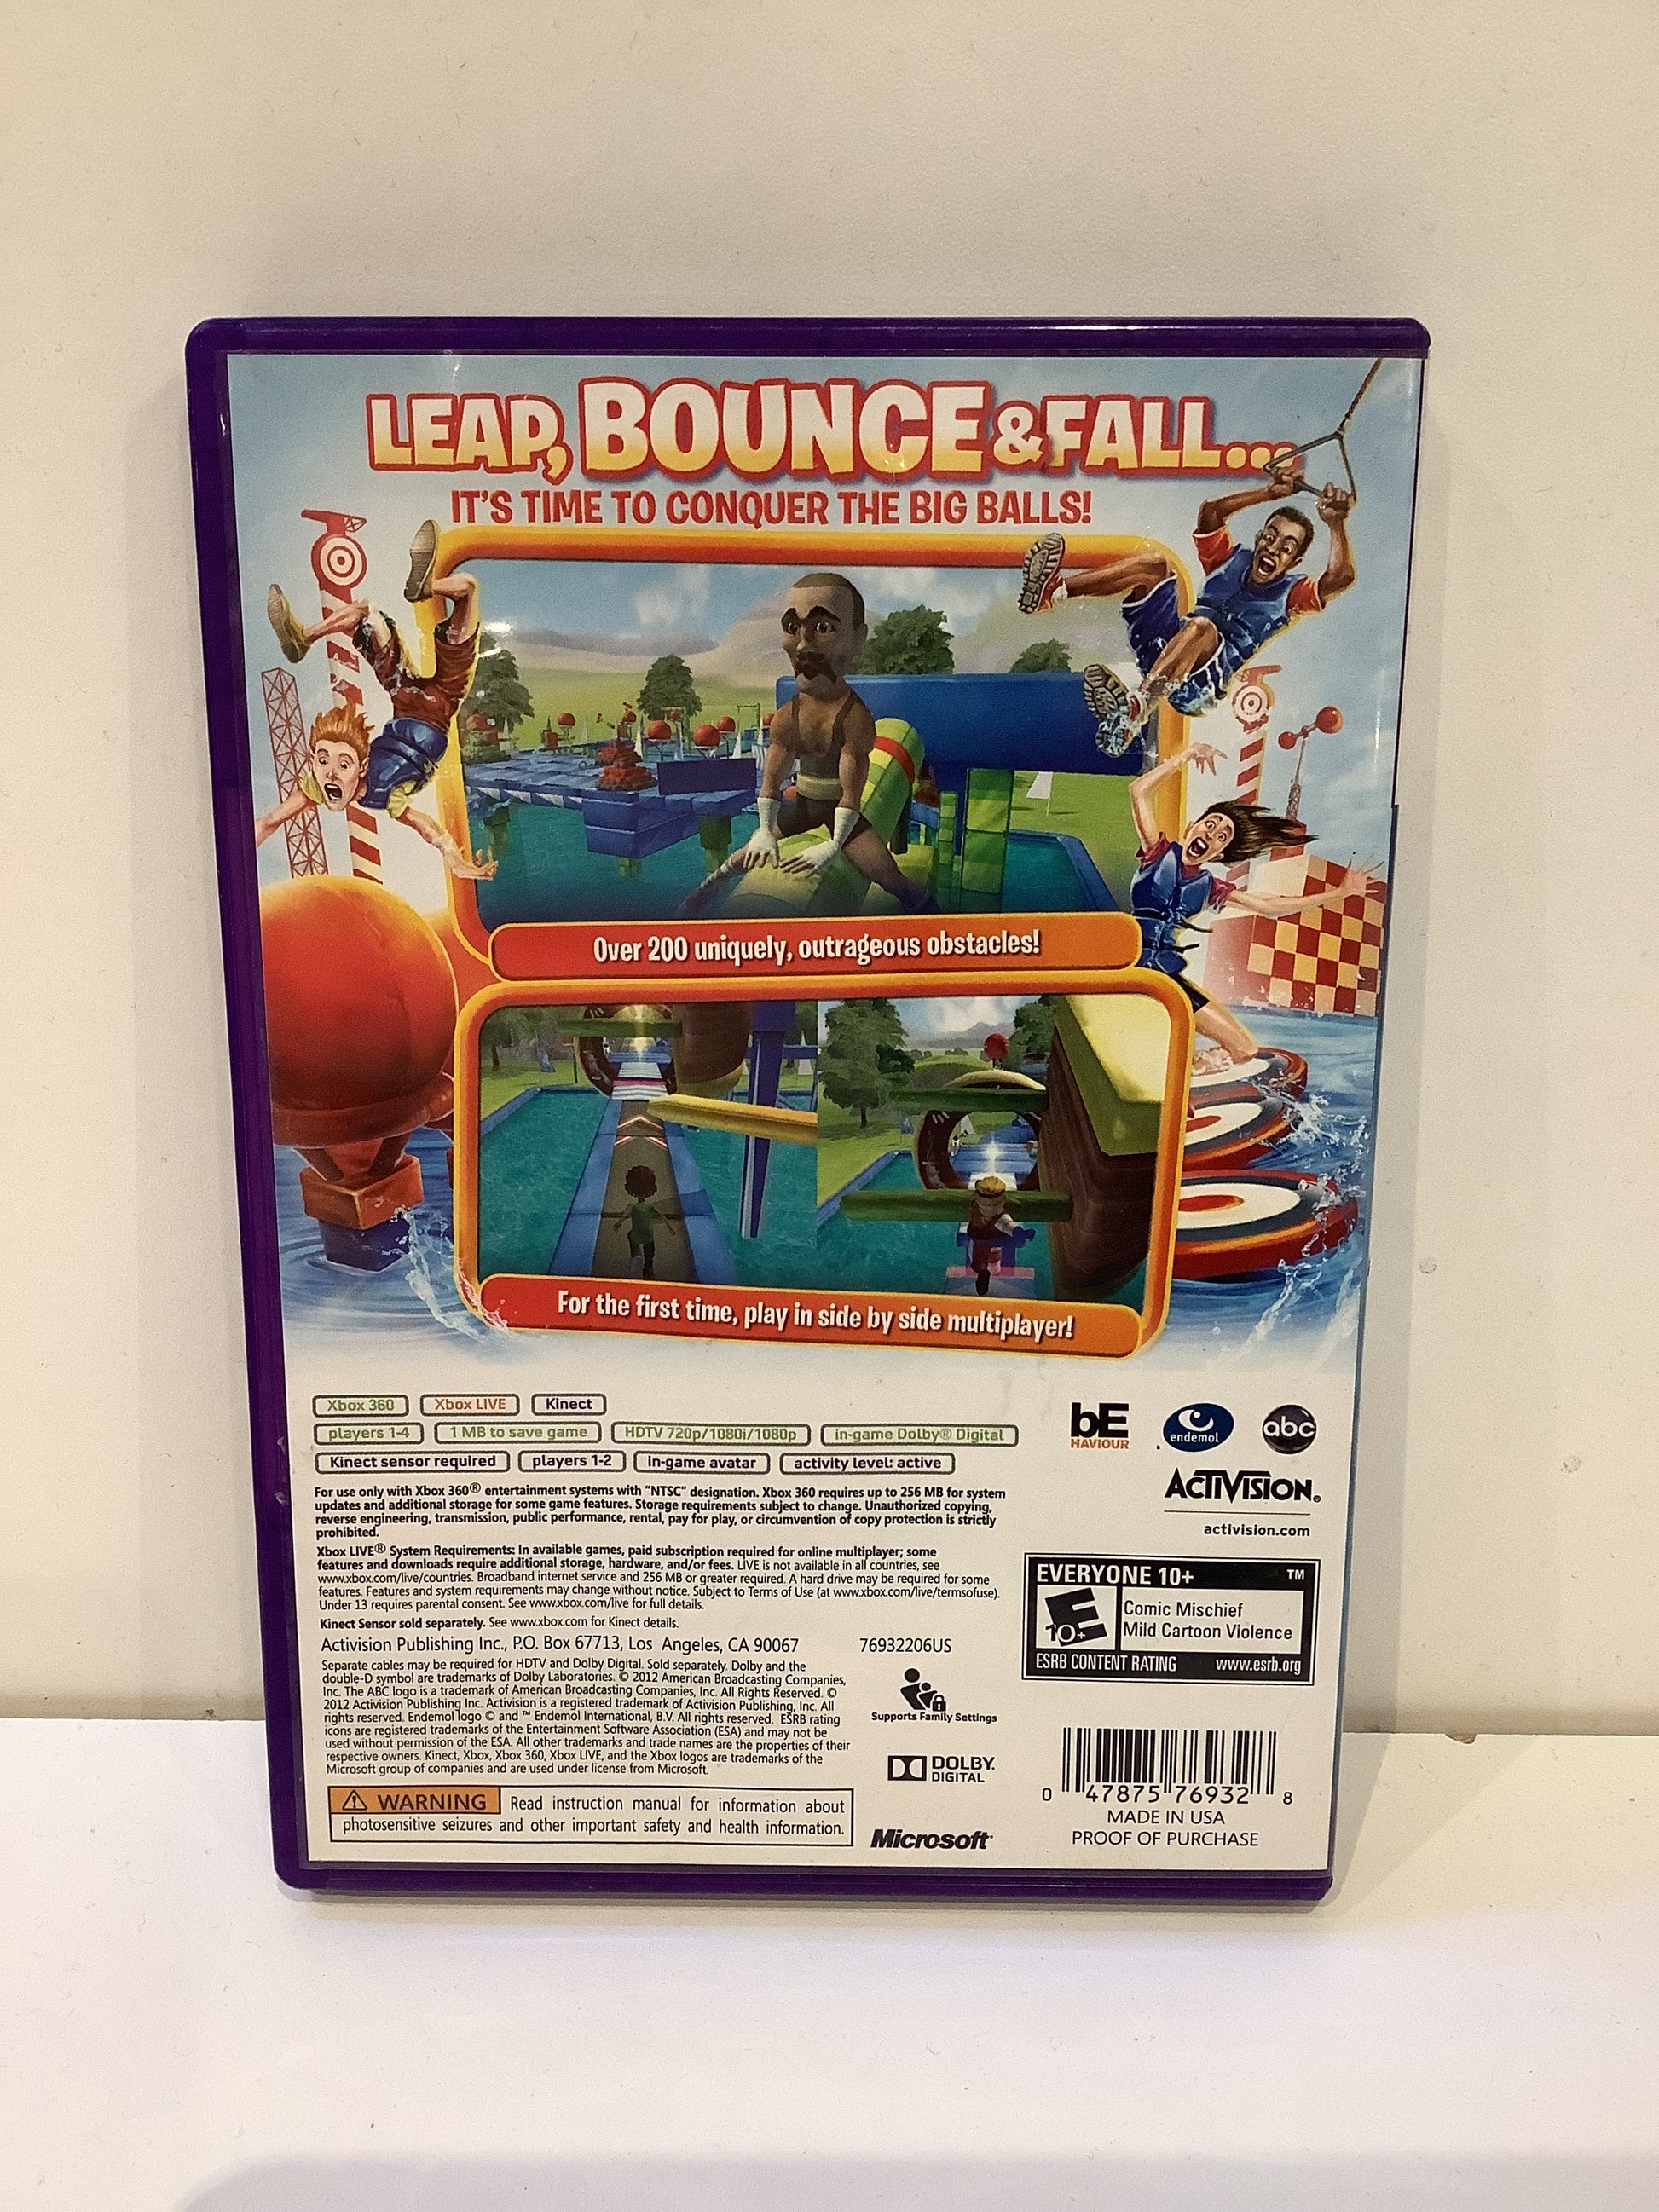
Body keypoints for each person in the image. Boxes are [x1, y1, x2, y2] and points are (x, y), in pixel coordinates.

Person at [1017, 457, 1356, 752]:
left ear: (1295, 562)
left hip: (1199, 688)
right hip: (1165, 650)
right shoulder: (1229, 559)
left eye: (1286, 548)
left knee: (1202, 627)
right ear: (1258, 538)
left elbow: (1340, 578)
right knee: (1153, 565)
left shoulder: (1291, 594)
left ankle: (1132, 715)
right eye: (1270, 537)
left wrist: (1336, 523)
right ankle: (1053, 592)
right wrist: (1269, 493)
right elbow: (1211, 512)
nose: (1273, 548)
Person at [255, 521, 496, 881]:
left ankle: (304, 637)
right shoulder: (388, 795)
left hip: (403, 693)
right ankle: (427, 588)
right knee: (469, 589)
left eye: (337, 763)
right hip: (443, 700)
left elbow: (270, 820)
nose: (330, 772)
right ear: (362, 767)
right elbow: (426, 827)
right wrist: (455, 860)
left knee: (366, 612)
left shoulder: (317, 786)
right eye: (328, 763)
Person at [1128, 739, 1379, 1071]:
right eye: (1210, 824)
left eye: (1222, 836)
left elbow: (1269, 906)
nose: (1212, 834)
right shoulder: (1157, 853)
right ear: (1192, 827)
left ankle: (1192, 1071)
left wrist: (1339, 893)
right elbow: (1138, 791)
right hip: (1128, 961)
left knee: (1244, 1049)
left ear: (1219, 854)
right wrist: (1185, 755)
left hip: (1167, 975)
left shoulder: (1210, 887)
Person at [735, 573, 935, 910]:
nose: (803, 645)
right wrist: (765, 830)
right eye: (792, 627)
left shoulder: (855, 719)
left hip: (839, 812)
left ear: (858, 638)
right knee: (741, 858)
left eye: (823, 628)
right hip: (801, 806)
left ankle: (940, 929)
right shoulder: (786, 718)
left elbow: (850, 796)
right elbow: (771, 782)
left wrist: (834, 844)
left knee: (892, 880)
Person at [604, 1163, 679, 1279]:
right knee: (649, 1249)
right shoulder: (650, 1207)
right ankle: (648, 1268)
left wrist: (619, 1223)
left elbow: (625, 1215)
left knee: (630, 1235)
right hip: (649, 1235)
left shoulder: (632, 1206)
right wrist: (670, 1228)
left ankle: (636, 1253)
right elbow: (662, 1216)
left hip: (636, 1234)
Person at [963, 1173, 1018, 1297]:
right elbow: (1007, 1224)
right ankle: (984, 1268)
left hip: (980, 1236)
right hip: (997, 1235)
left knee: (979, 1253)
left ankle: (982, 1268)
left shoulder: (976, 1211)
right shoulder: (1000, 1214)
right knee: (1005, 1242)